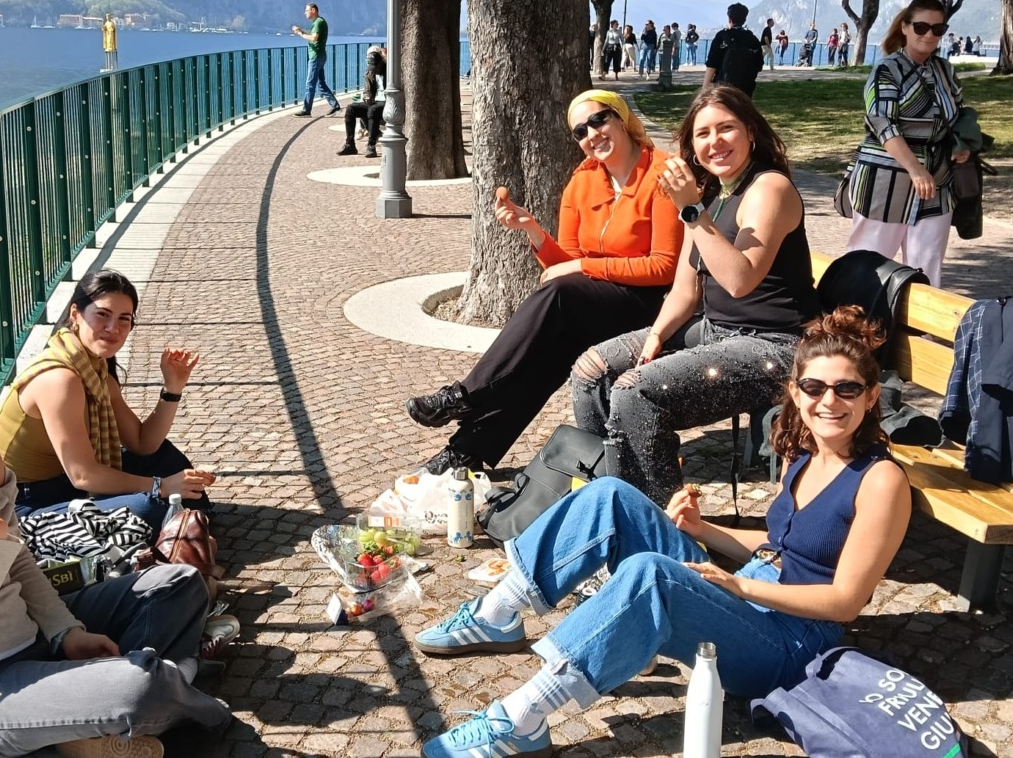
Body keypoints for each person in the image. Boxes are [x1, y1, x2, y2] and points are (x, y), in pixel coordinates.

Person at [413, 307, 912, 758]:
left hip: (788, 645)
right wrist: (702, 531)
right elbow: (782, 542)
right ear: (796, 391)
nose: (829, 402)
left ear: (870, 396)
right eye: (815, 386)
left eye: (847, 389)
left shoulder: (881, 481)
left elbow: (846, 602)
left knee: (651, 574)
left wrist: (741, 590)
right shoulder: (803, 449)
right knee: (612, 495)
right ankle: (499, 614)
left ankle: (521, 721)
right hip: (747, 597)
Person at [0, 329, 231, 758]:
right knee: (139, 687)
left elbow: (17, 563)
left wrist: (65, 632)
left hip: (32, 642)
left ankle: (86, 716)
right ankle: (163, 690)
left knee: (178, 584)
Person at [405, 90, 682, 476]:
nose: (592, 134)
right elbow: (566, 266)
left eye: (599, 120)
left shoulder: (662, 173)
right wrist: (533, 231)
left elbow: (664, 267)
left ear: (621, 118)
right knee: (541, 361)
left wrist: (583, 266)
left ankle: (465, 395)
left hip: (645, 304)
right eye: (580, 131)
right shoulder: (582, 181)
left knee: (555, 297)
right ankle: (465, 455)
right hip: (590, 302)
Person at [571, 84, 820, 506]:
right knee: (591, 370)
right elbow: (686, 289)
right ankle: (607, 501)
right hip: (715, 331)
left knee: (636, 393)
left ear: (751, 133)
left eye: (726, 129)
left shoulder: (768, 189)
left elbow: (741, 279)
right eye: (703, 134)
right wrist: (657, 335)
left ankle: (662, 529)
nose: (714, 142)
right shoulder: (712, 197)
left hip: (774, 347)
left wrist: (691, 211)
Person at [0, 270, 212, 533]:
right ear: (75, 315)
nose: (113, 328)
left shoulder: (95, 371)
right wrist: (159, 486)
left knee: (163, 457)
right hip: (23, 505)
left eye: (124, 320)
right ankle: (184, 525)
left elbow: (143, 443)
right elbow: (83, 474)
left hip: (63, 485)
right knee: (146, 508)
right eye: (103, 315)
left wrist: (173, 388)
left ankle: (185, 524)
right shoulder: (60, 379)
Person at [840, 0, 970, 288]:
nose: (929, 35)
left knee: (926, 269)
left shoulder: (946, 71)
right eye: (922, 27)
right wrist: (914, 169)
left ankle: (918, 333)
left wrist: (962, 147)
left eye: (938, 29)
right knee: (867, 267)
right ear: (906, 27)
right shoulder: (886, 70)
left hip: (937, 184)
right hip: (885, 183)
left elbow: (960, 115)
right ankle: (852, 329)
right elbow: (882, 124)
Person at [703, 3, 764, 97]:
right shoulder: (753, 39)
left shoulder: (721, 37)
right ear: (744, 19)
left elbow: (711, 66)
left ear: (729, 19)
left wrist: (705, 90)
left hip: (722, 89)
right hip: (745, 91)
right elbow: (758, 66)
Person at [291, 2, 341, 117]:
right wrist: (302, 31)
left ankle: (306, 110)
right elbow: (314, 36)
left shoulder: (318, 22)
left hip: (316, 57)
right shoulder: (319, 22)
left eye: (306, 10)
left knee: (310, 84)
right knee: (321, 84)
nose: (305, 13)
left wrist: (300, 34)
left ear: (313, 10)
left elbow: (313, 38)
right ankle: (335, 106)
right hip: (320, 56)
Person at [338, 46, 386, 158]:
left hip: (386, 101)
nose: (373, 69)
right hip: (375, 101)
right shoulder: (370, 72)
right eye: (371, 67)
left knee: (373, 110)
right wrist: (367, 96)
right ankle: (350, 144)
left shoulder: (389, 71)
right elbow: (367, 90)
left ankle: (371, 146)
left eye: (375, 67)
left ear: (381, 63)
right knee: (351, 109)